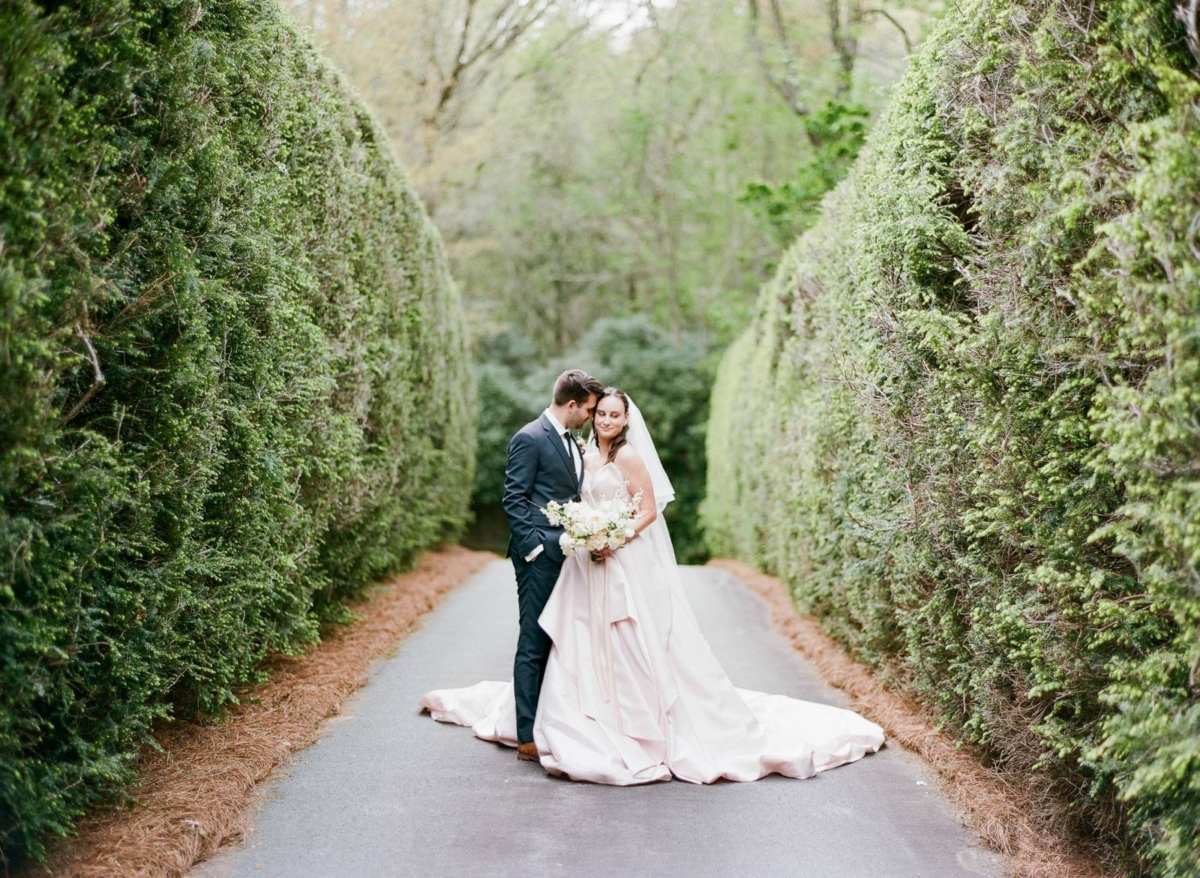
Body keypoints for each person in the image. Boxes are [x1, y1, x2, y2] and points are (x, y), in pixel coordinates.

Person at [421, 388, 885, 784]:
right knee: (577, 636)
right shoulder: (583, 451)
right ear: (590, 414)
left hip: (620, 559)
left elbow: (648, 509)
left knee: (631, 638)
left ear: (625, 420)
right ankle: (574, 714)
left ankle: (634, 720)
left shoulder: (627, 455)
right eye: (599, 412)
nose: (604, 419)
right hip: (586, 562)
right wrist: (586, 535)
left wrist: (612, 538)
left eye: (613, 414)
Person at [499, 369, 605, 762]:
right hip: (540, 558)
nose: (591, 418)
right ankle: (526, 734)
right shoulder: (529, 437)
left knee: (562, 637)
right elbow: (514, 499)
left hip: (569, 556)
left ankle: (553, 719)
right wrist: (535, 551)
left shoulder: (574, 443)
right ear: (572, 404)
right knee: (534, 639)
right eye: (589, 410)